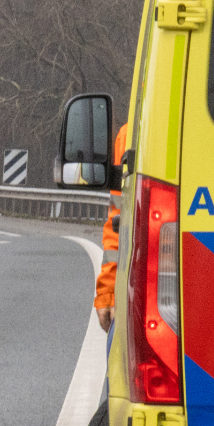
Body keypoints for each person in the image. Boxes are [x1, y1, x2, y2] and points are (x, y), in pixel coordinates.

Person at [93, 122, 130, 332]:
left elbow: (120, 221)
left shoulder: (133, 131)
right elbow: (120, 221)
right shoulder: (130, 132)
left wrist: (109, 292)